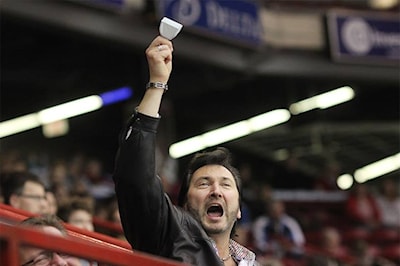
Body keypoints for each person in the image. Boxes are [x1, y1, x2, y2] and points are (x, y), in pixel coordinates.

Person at [113, 35, 258, 265]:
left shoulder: (251, 261)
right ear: (183, 205)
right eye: (203, 183)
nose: (216, 191)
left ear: (239, 208)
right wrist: (157, 83)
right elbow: (135, 179)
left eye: (226, 184)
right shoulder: (168, 236)